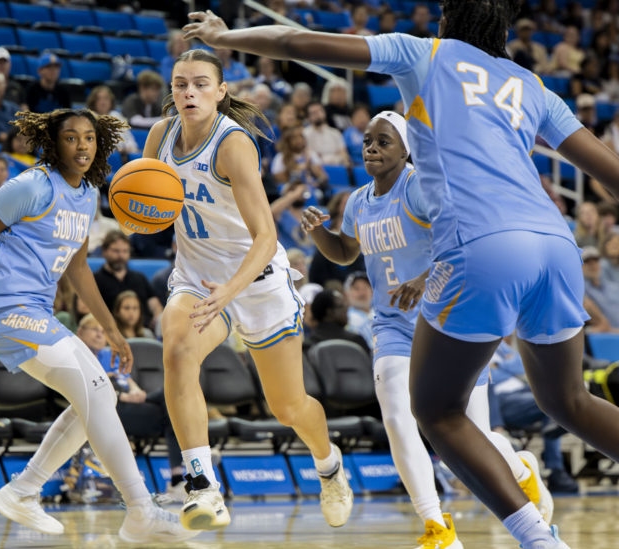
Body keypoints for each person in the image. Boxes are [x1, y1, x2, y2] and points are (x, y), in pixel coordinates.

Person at [183, 5, 619, 547]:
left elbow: (296, 42)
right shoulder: (531, 84)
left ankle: (539, 539)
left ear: (446, 21)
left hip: (481, 245)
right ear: (503, 31)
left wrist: (228, 35)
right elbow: (610, 171)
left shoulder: (425, 54)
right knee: (570, 400)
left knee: (436, 410)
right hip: (557, 245)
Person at [0, 109, 196, 543]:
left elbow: (78, 268)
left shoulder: (86, 193)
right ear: (52, 143)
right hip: (2, 306)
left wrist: (112, 329)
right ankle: (139, 508)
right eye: (71, 137)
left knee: (99, 395)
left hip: (35, 311)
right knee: (95, 393)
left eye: (89, 138)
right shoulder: (31, 186)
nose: (82, 146)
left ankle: (23, 491)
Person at [301, 112, 550, 547]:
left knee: (469, 442)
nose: (372, 148)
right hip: (392, 324)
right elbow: (345, 252)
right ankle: (436, 525)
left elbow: (464, 241)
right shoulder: (358, 201)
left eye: (383, 141)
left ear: (406, 151)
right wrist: (320, 233)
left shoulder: (420, 187)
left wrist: (424, 278)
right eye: (367, 140)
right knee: (397, 414)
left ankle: (520, 468)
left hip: (451, 319)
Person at [143, 47, 353, 532]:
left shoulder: (233, 144)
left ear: (220, 92)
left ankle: (329, 466)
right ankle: (203, 487)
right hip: (197, 277)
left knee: (288, 407)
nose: (189, 92)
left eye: (200, 84)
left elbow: (265, 237)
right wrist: (137, 215)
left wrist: (229, 291)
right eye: (180, 84)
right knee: (177, 349)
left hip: (255, 280)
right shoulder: (159, 136)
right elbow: (147, 210)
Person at [76, 313, 185, 501]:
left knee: (170, 399)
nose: (100, 335)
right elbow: (84, 389)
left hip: (131, 404)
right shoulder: (77, 356)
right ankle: (186, 468)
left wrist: (137, 392)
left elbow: (127, 380)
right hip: (109, 408)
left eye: (103, 331)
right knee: (170, 410)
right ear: (80, 332)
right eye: (94, 330)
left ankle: (177, 477)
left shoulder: (110, 354)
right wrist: (122, 396)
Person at [488, 337, 579, 494]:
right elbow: (487, 376)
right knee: (552, 403)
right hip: (501, 400)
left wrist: (500, 366)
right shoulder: (475, 343)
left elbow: (522, 366)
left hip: (524, 391)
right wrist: (508, 365)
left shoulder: (500, 345)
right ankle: (555, 469)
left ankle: (555, 465)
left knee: (559, 395)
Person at [94, 231, 164, 333]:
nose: (121, 256)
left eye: (125, 251)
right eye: (116, 251)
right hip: (110, 332)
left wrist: (157, 316)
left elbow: (154, 304)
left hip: (143, 332)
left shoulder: (139, 278)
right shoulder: (95, 280)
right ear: (104, 251)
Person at [85, 85, 139, 154]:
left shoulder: (117, 116)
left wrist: (127, 148)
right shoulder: (88, 118)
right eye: (99, 99)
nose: (103, 102)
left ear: (111, 101)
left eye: (106, 98)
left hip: (122, 155)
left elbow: (131, 141)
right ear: (93, 102)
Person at [303, 101, 350, 166]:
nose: (317, 114)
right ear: (308, 117)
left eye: (319, 111)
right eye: (313, 113)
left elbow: (344, 154)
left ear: (324, 112)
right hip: (316, 167)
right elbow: (307, 155)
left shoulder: (335, 133)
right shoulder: (305, 133)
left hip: (336, 167)